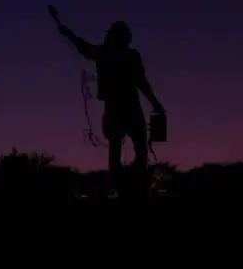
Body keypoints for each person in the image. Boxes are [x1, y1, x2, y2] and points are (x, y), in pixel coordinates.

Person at [56, 20, 165, 199]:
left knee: (121, 150)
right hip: (128, 107)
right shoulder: (127, 55)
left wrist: (68, 33)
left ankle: (125, 187)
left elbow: (83, 46)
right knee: (136, 149)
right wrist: (154, 102)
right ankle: (133, 187)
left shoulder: (106, 53)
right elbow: (141, 81)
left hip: (118, 108)